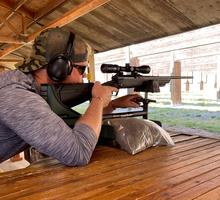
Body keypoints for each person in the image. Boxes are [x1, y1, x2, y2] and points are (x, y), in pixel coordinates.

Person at [0, 27, 141, 166]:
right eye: (82, 68)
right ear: (60, 67)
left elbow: (65, 128)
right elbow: (78, 153)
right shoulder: (18, 96)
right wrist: (98, 100)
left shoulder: (28, 87)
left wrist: (111, 105)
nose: (84, 75)